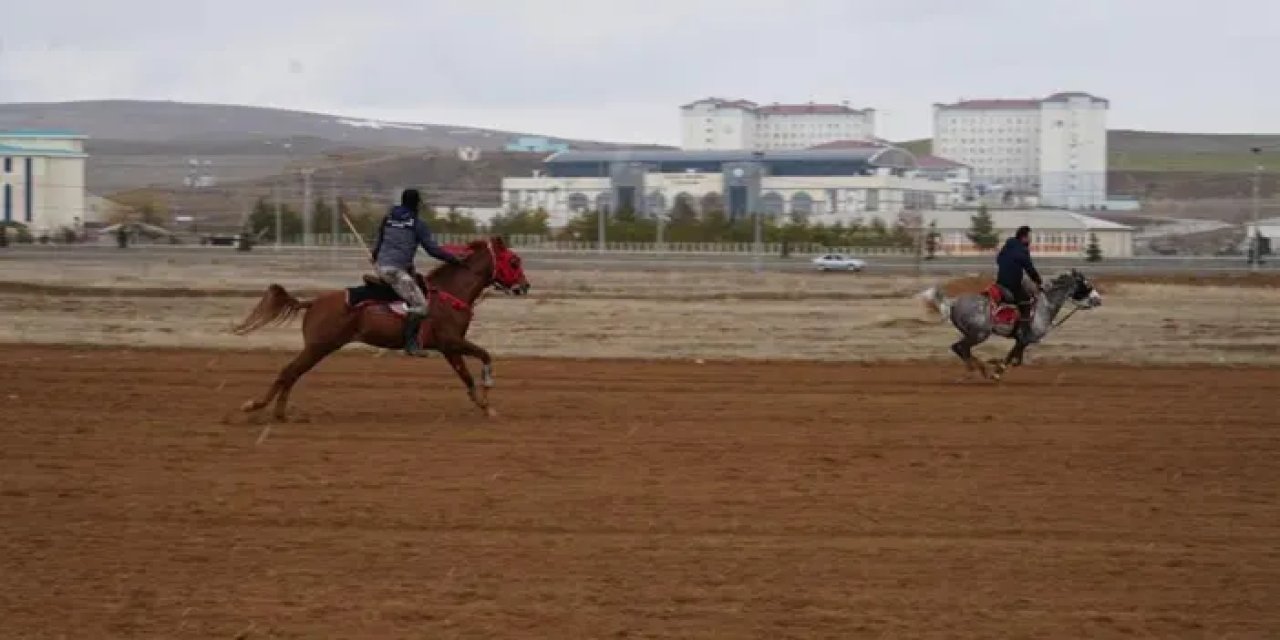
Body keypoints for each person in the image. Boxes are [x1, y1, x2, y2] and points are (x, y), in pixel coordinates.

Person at [371, 188, 466, 356]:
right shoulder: (417, 224)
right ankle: (410, 343)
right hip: (395, 271)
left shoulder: (388, 219)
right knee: (422, 307)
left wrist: (375, 257)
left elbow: (377, 245)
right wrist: (454, 260)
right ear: (416, 204)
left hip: (383, 266)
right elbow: (432, 250)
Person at [995, 225, 1043, 341]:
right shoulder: (1022, 250)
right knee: (1026, 302)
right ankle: (1024, 332)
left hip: (1000, 282)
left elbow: (998, 260)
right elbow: (1029, 268)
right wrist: (1038, 281)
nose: (1030, 240)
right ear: (1023, 238)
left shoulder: (1007, 246)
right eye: (1029, 237)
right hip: (1012, 284)